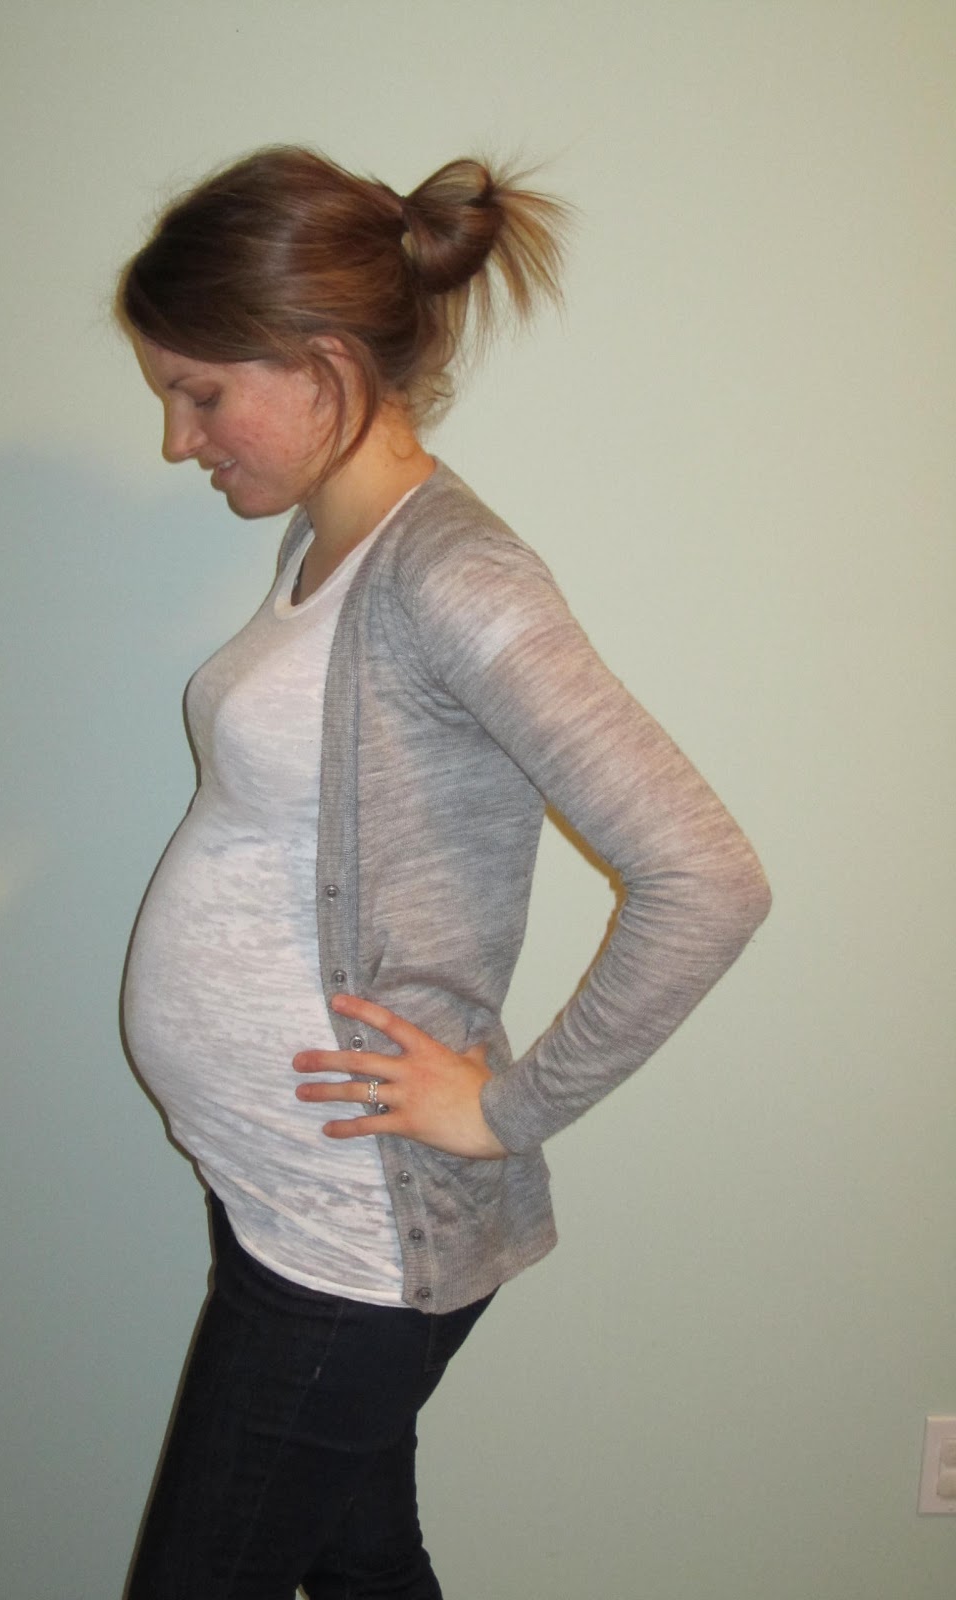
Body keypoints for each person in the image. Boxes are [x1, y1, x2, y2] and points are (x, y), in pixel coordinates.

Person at [114, 145, 770, 1600]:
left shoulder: (454, 576)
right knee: (362, 1569)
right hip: (289, 1199)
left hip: (352, 1235)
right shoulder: (328, 544)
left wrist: (506, 1108)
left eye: (201, 394)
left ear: (324, 365)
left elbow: (706, 876)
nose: (177, 439)